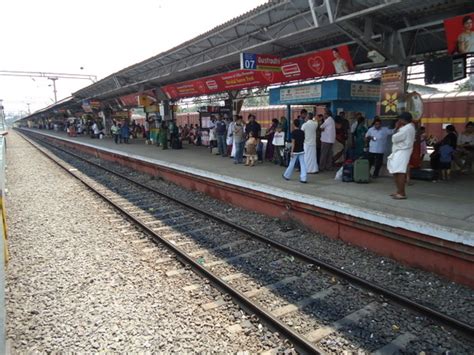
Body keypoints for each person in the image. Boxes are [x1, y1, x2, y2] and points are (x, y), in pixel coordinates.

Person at [387, 112, 416, 200]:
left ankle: (402, 193)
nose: (399, 120)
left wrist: (396, 127)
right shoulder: (410, 127)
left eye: (400, 119)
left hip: (402, 151)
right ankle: (399, 191)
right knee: (396, 171)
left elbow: (394, 138)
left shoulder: (405, 129)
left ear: (403, 120)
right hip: (401, 151)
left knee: (400, 171)